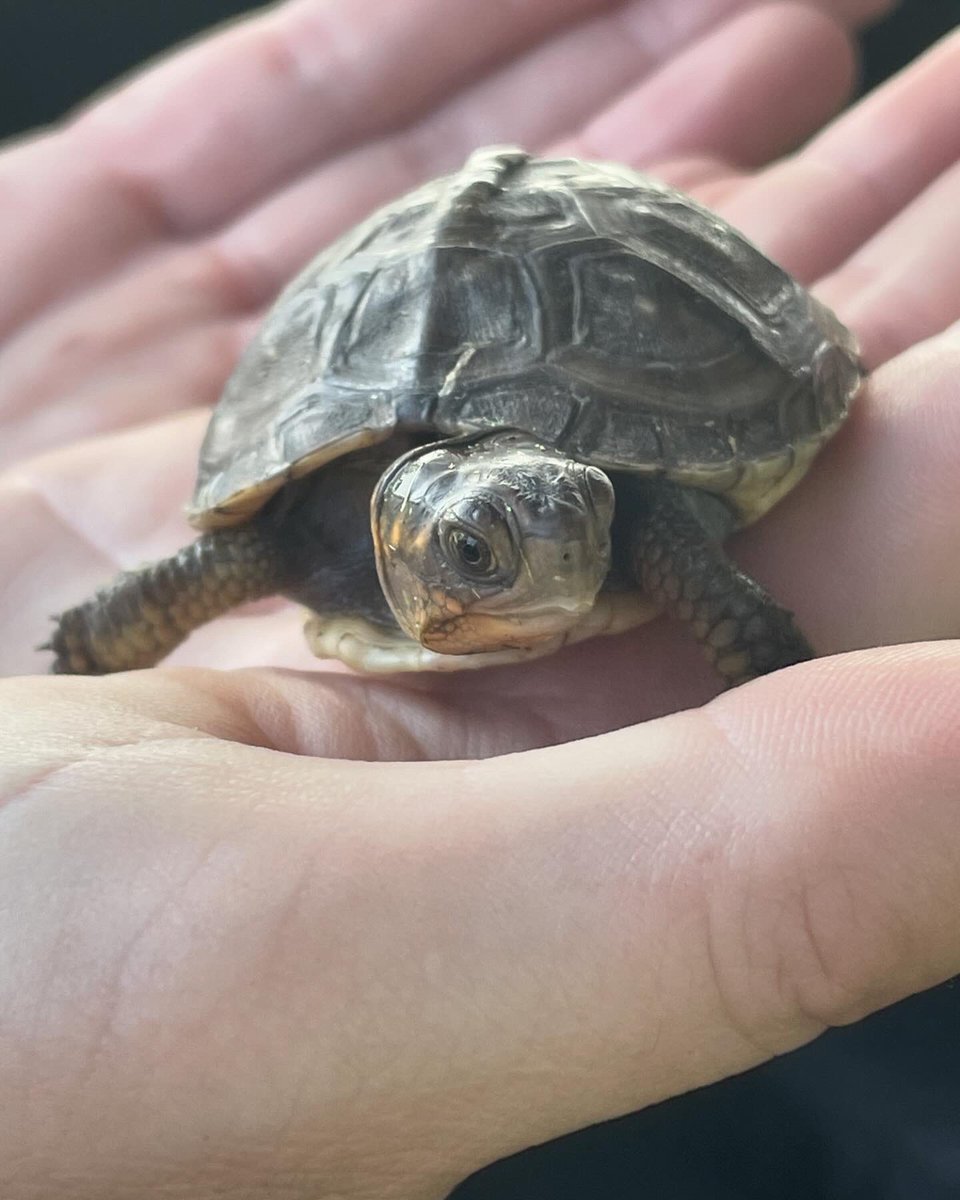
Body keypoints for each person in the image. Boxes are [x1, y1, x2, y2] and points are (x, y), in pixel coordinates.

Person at [1, 0, 959, 1195]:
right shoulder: (305, 537)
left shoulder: (642, 521)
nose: (561, 558)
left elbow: (676, 552)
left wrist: (766, 668)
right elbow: (191, 572)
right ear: (408, 544)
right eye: (481, 552)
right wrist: (81, 659)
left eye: (584, 520)